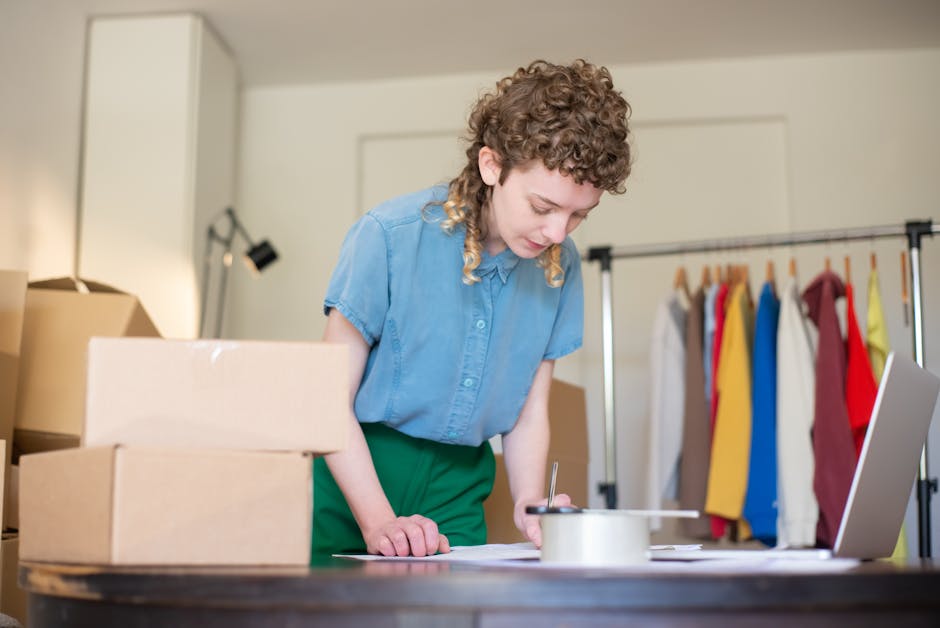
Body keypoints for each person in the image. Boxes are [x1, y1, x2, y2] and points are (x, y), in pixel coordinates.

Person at [313, 59, 632, 560]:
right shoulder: (388, 237)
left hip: (459, 487)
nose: (556, 233)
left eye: (577, 217)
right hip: (353, 475)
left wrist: (529, 500)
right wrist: (378, 523)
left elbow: (529, 413)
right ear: (492, 166)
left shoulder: (561, 266)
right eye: (543, 208)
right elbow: (326, 404)